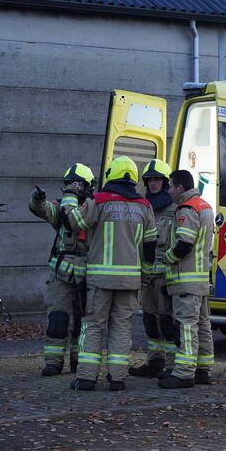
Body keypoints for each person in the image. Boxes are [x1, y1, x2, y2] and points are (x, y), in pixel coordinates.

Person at [67, 156, 157, 391]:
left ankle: (87, 378)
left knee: (93, 326)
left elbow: (74, 222)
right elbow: (150, 246)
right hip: (130, 281)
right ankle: (117, 378)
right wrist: (145, 277)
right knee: (122, 328)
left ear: (110, 175)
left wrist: (72, 195)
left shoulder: (98, 201)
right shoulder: (145, 206)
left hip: (100, 280)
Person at [30, 163, 94, 376]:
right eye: (69, 184)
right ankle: (53, 362)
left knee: (84, 321)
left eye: (78, 184)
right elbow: (43, 209)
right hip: (61, 275)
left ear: (88, 186)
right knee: (57, 318)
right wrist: (37, 199)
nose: (74, 188)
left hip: (88, 275)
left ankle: (79, 361)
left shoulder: (94, 208)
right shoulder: (60, 207)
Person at [159, 169, 215, 389]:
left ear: (180, 188)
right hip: (200, 280)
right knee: (203, 326)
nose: (169, 191)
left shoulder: (187, 209)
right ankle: (203, 369)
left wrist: (167, 258)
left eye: (171, 187)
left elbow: (184, 244)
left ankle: (183, 373)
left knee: (186, 327)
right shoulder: (205, 206)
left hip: (185, 280)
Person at [129, 159, 179, 378]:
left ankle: (173, 365)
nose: (153, 183)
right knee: (150, 319)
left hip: (166, 276)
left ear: (165, 182)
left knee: (168, 321)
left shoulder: (176, 209)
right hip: (147, 275)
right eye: (149, 180)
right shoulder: (143, 206)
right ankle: (154, 362)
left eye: (157, 179)